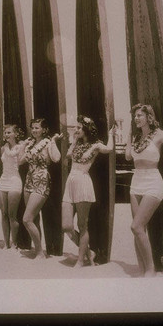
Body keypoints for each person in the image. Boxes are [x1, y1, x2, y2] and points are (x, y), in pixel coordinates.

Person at [125, 103, 163, 277]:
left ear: (148, 117)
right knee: (138, 230)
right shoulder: (137, 138)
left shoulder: (159, 135)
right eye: (135, 116)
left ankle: (150, 269)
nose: (136, 118)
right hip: (136, 182)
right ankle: (142, 270)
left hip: (153, 182)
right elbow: (128, 156)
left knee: (136, 226)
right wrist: (129, 134)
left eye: (139, 115)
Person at [61, 115, 115, 268]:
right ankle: (88, 253)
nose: (76, 129)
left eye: (78, 127)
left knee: (82, 225)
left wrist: (111, 135)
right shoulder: (76, 144)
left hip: (83, 182)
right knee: (66, 226)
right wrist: (74, 139)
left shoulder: (96, 145)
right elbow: (68, 155)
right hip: (70, 182)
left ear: (86, 129)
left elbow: (109, 149)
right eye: (76, 127)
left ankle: (80, 260)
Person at [18, 118, 62, 259]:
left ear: (44, 129)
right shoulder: (30, 144)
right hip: (29, 181)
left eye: (37, 128)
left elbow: (56, 158)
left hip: (42, 180)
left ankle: (39, 253)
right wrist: (24, 145)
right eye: (33, 128)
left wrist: (53, 142)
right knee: (34, 219)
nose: (34, 130)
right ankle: (39, 249)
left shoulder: (47, 143)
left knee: (27, 219)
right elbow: (20, 161)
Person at [0, 124, 25, 251]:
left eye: (9, 132)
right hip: (3, 180)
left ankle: (14, 243)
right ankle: (6, 242)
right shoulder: (4, 148)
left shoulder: (20, 146)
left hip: (15, 180)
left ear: (15, 134)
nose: (6, 135)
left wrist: (22, 147)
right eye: (5, 133)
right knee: (3, 213)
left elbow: (20, 161)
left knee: (12, 214)